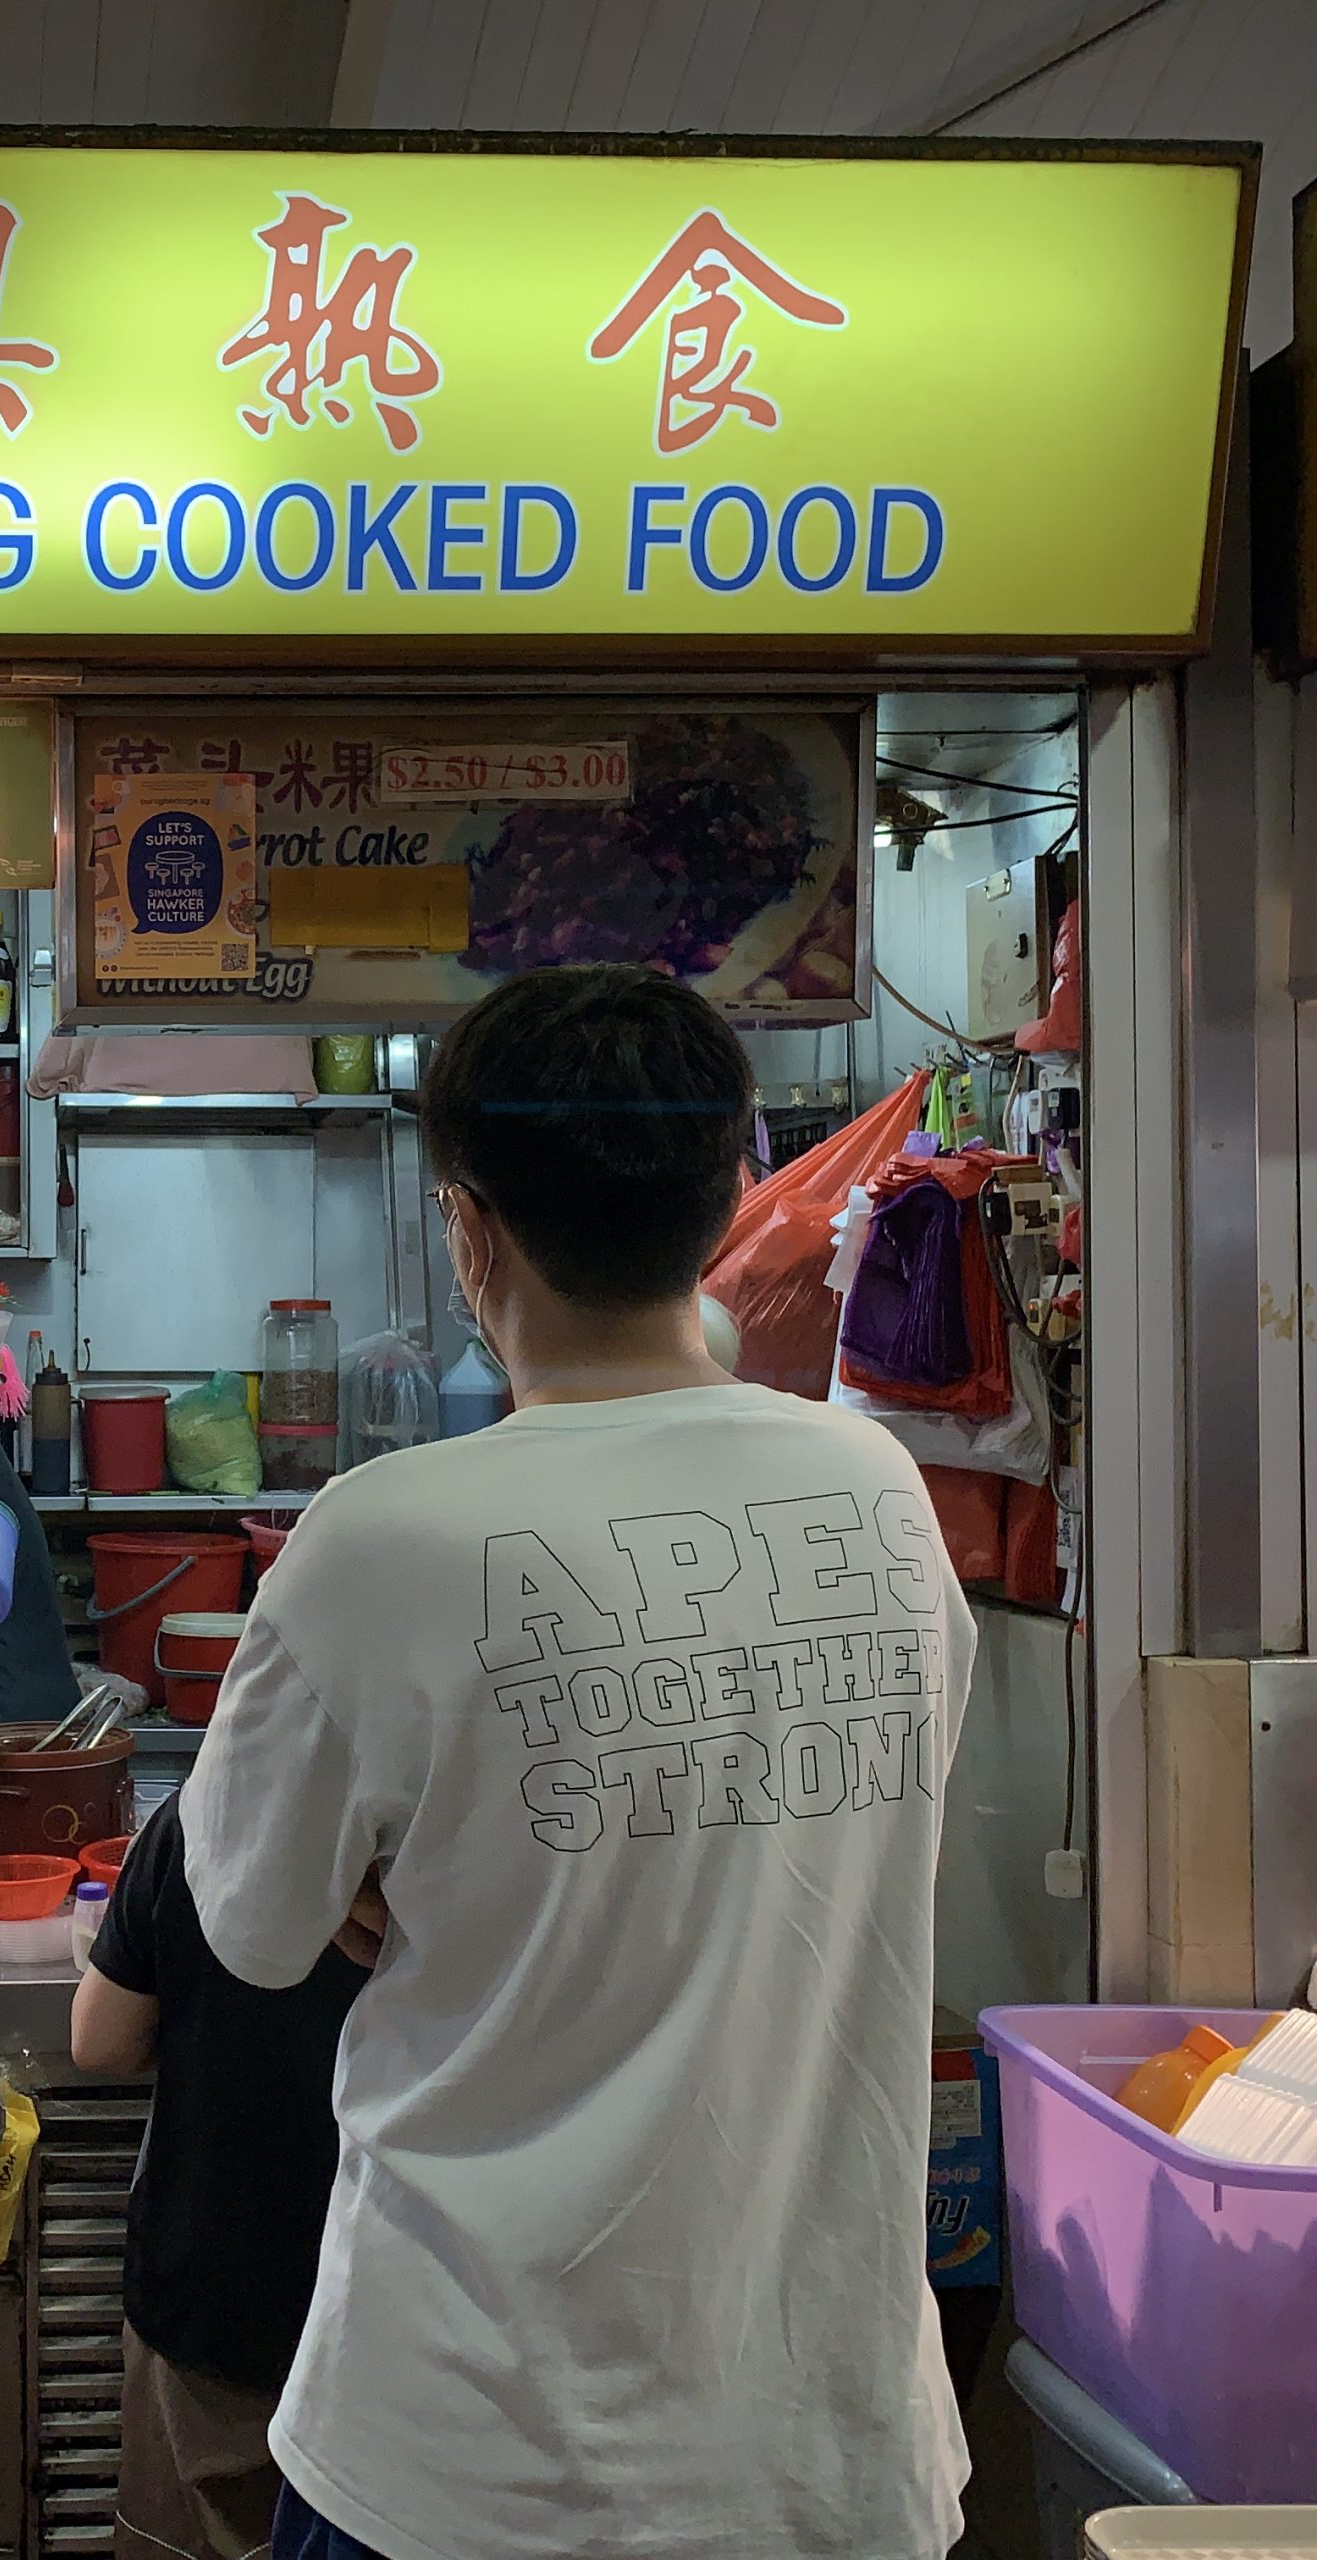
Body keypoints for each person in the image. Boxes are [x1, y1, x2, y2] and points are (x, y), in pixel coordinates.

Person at [182, 964, 977, 2560]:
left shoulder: (376, 1539)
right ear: (734, 1191)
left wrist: (402, 1866)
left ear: (469, 1230)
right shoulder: (880, 1493)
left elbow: (256, 1926)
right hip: (829, 2468)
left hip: (461, 2465)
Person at [70, 1794, 364, 2560]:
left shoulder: (202, 1818)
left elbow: (99, 2043)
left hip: (220, 2300)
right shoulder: (480, 1830)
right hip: (406, 2318)